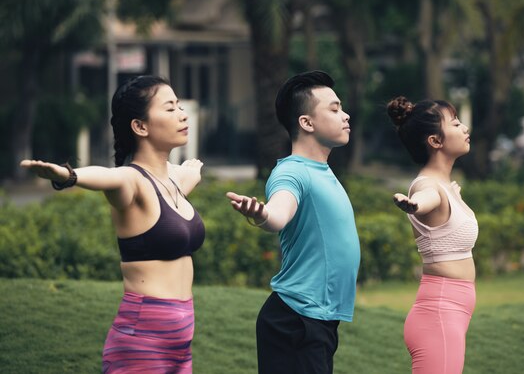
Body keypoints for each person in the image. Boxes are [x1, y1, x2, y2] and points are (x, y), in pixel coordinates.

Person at [21, 75, 206, 373]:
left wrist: (190, 175)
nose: (182, 114)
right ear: (140, 126)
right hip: (142, 340)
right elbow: (107, 176)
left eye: (180, 106)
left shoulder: (172, 181)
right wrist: (69, 175)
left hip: (181, 344)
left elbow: (181, 182)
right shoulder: (130, 180)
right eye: (170, 108)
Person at [226, 71, 360, 374]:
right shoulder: (293, 172)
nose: (346, 115)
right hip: (295, 322)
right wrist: (262, 215)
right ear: (307, 123)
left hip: (315, 320)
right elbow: (279, 213)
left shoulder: (322, 171)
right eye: (335, 108)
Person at [387, 96, 478, 374]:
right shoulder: (427, 186)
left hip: (449, 314)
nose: (464, 128)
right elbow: (425, 198)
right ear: (435, 141)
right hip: (439, 314)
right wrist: (413, 205)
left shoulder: (445, 185)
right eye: (455, 123)